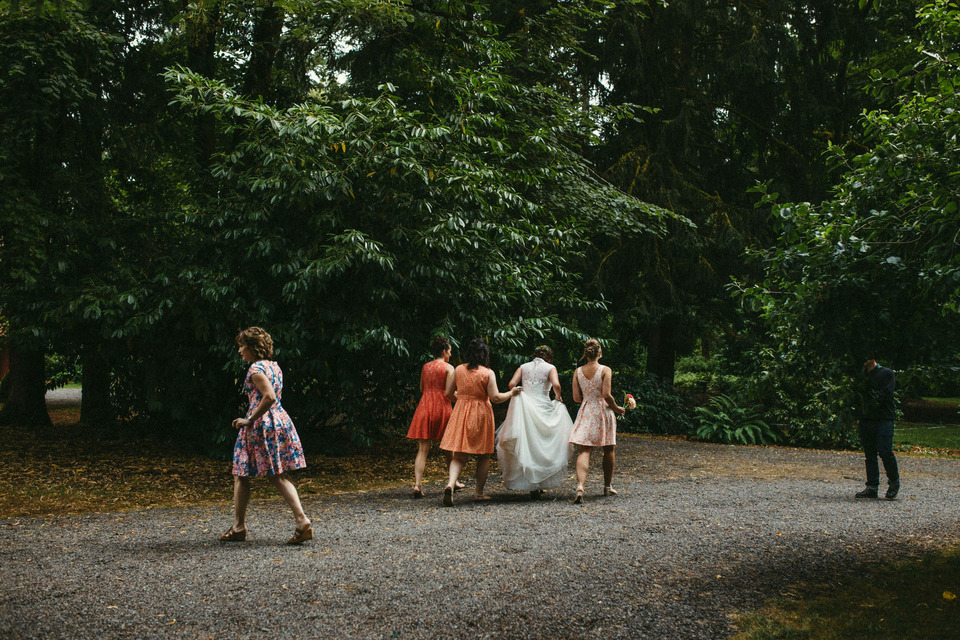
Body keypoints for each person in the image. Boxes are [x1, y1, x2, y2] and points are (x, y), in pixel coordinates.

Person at [220, 327, 313, 544]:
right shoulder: (275, 366)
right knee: (274, 475)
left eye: (242, 346)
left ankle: (240, 527)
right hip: (278, 421)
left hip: (261, 425)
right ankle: (299, 522)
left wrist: (250, 420)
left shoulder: (255, 369)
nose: (240, 351)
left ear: (252, 347)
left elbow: (269, 396)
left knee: (242, 473)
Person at [439, 338, 521, 506]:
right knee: (484, 455)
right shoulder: (488, 373)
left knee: (459, 455)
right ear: (485, 355)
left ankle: (450, 484)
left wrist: (462, 400)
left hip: (461, 411)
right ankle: (479, 493)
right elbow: (496, 397)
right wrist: (511, 393)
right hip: (482, 413)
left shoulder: (459, 370)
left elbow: (448, 393)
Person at [496, 345, 574, 499]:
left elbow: (512, 384)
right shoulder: (550, 367)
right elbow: (556, 385)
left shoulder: (524, 367)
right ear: (549, 358)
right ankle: (539, 482)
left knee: (528, 444)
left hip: (525, 408)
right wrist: (558, 397)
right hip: (542, 407)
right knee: (542, 444)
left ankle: (532, 484)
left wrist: (521, 392)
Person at [569, 339, 625, 504]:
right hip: (602, 411)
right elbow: (606, 395)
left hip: (587, 410)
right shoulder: (605, 370)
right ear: (600, 353)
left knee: (584, 449)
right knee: (608, 448)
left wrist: (588, 399)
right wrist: (616, 408)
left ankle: (580, 486)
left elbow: (576, 398)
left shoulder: (577, 371)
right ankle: (607, 487)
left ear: (585, 354)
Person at [406, 335, 460, 498]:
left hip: (425, 407)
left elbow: (422, 388)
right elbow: (449, 393)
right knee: (448, 448)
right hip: (442, 408)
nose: (450, 354)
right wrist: (461, 401)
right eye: (450, 351)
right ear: (444, 351)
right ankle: (453, 481)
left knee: (422, 449)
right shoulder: (449, 368)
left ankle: (417, 485)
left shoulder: (425, 367)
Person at [855, 355, 900, 500]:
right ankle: (872, 486)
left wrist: (871, 399)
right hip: (867, 418)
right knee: (870, 453)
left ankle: (894, 482)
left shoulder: (887, 373)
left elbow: (886, 394)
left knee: (884, 450)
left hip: (884, 418)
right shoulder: (861, 376)